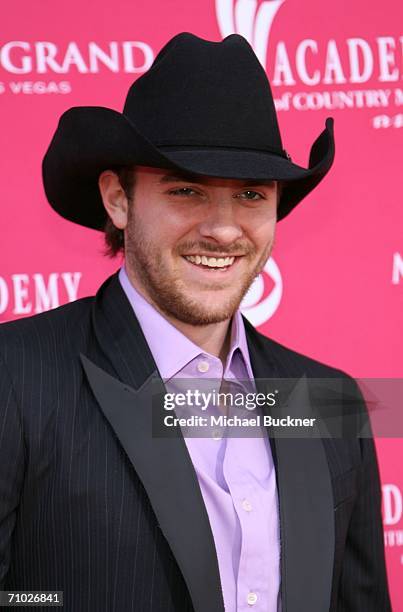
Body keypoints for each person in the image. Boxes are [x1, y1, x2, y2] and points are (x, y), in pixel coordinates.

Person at [0, 32, 391, 612]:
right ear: (118, 200)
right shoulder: (15, 375)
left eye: (252, 195)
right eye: (187, 190)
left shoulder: (328, 401)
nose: (225, 229)